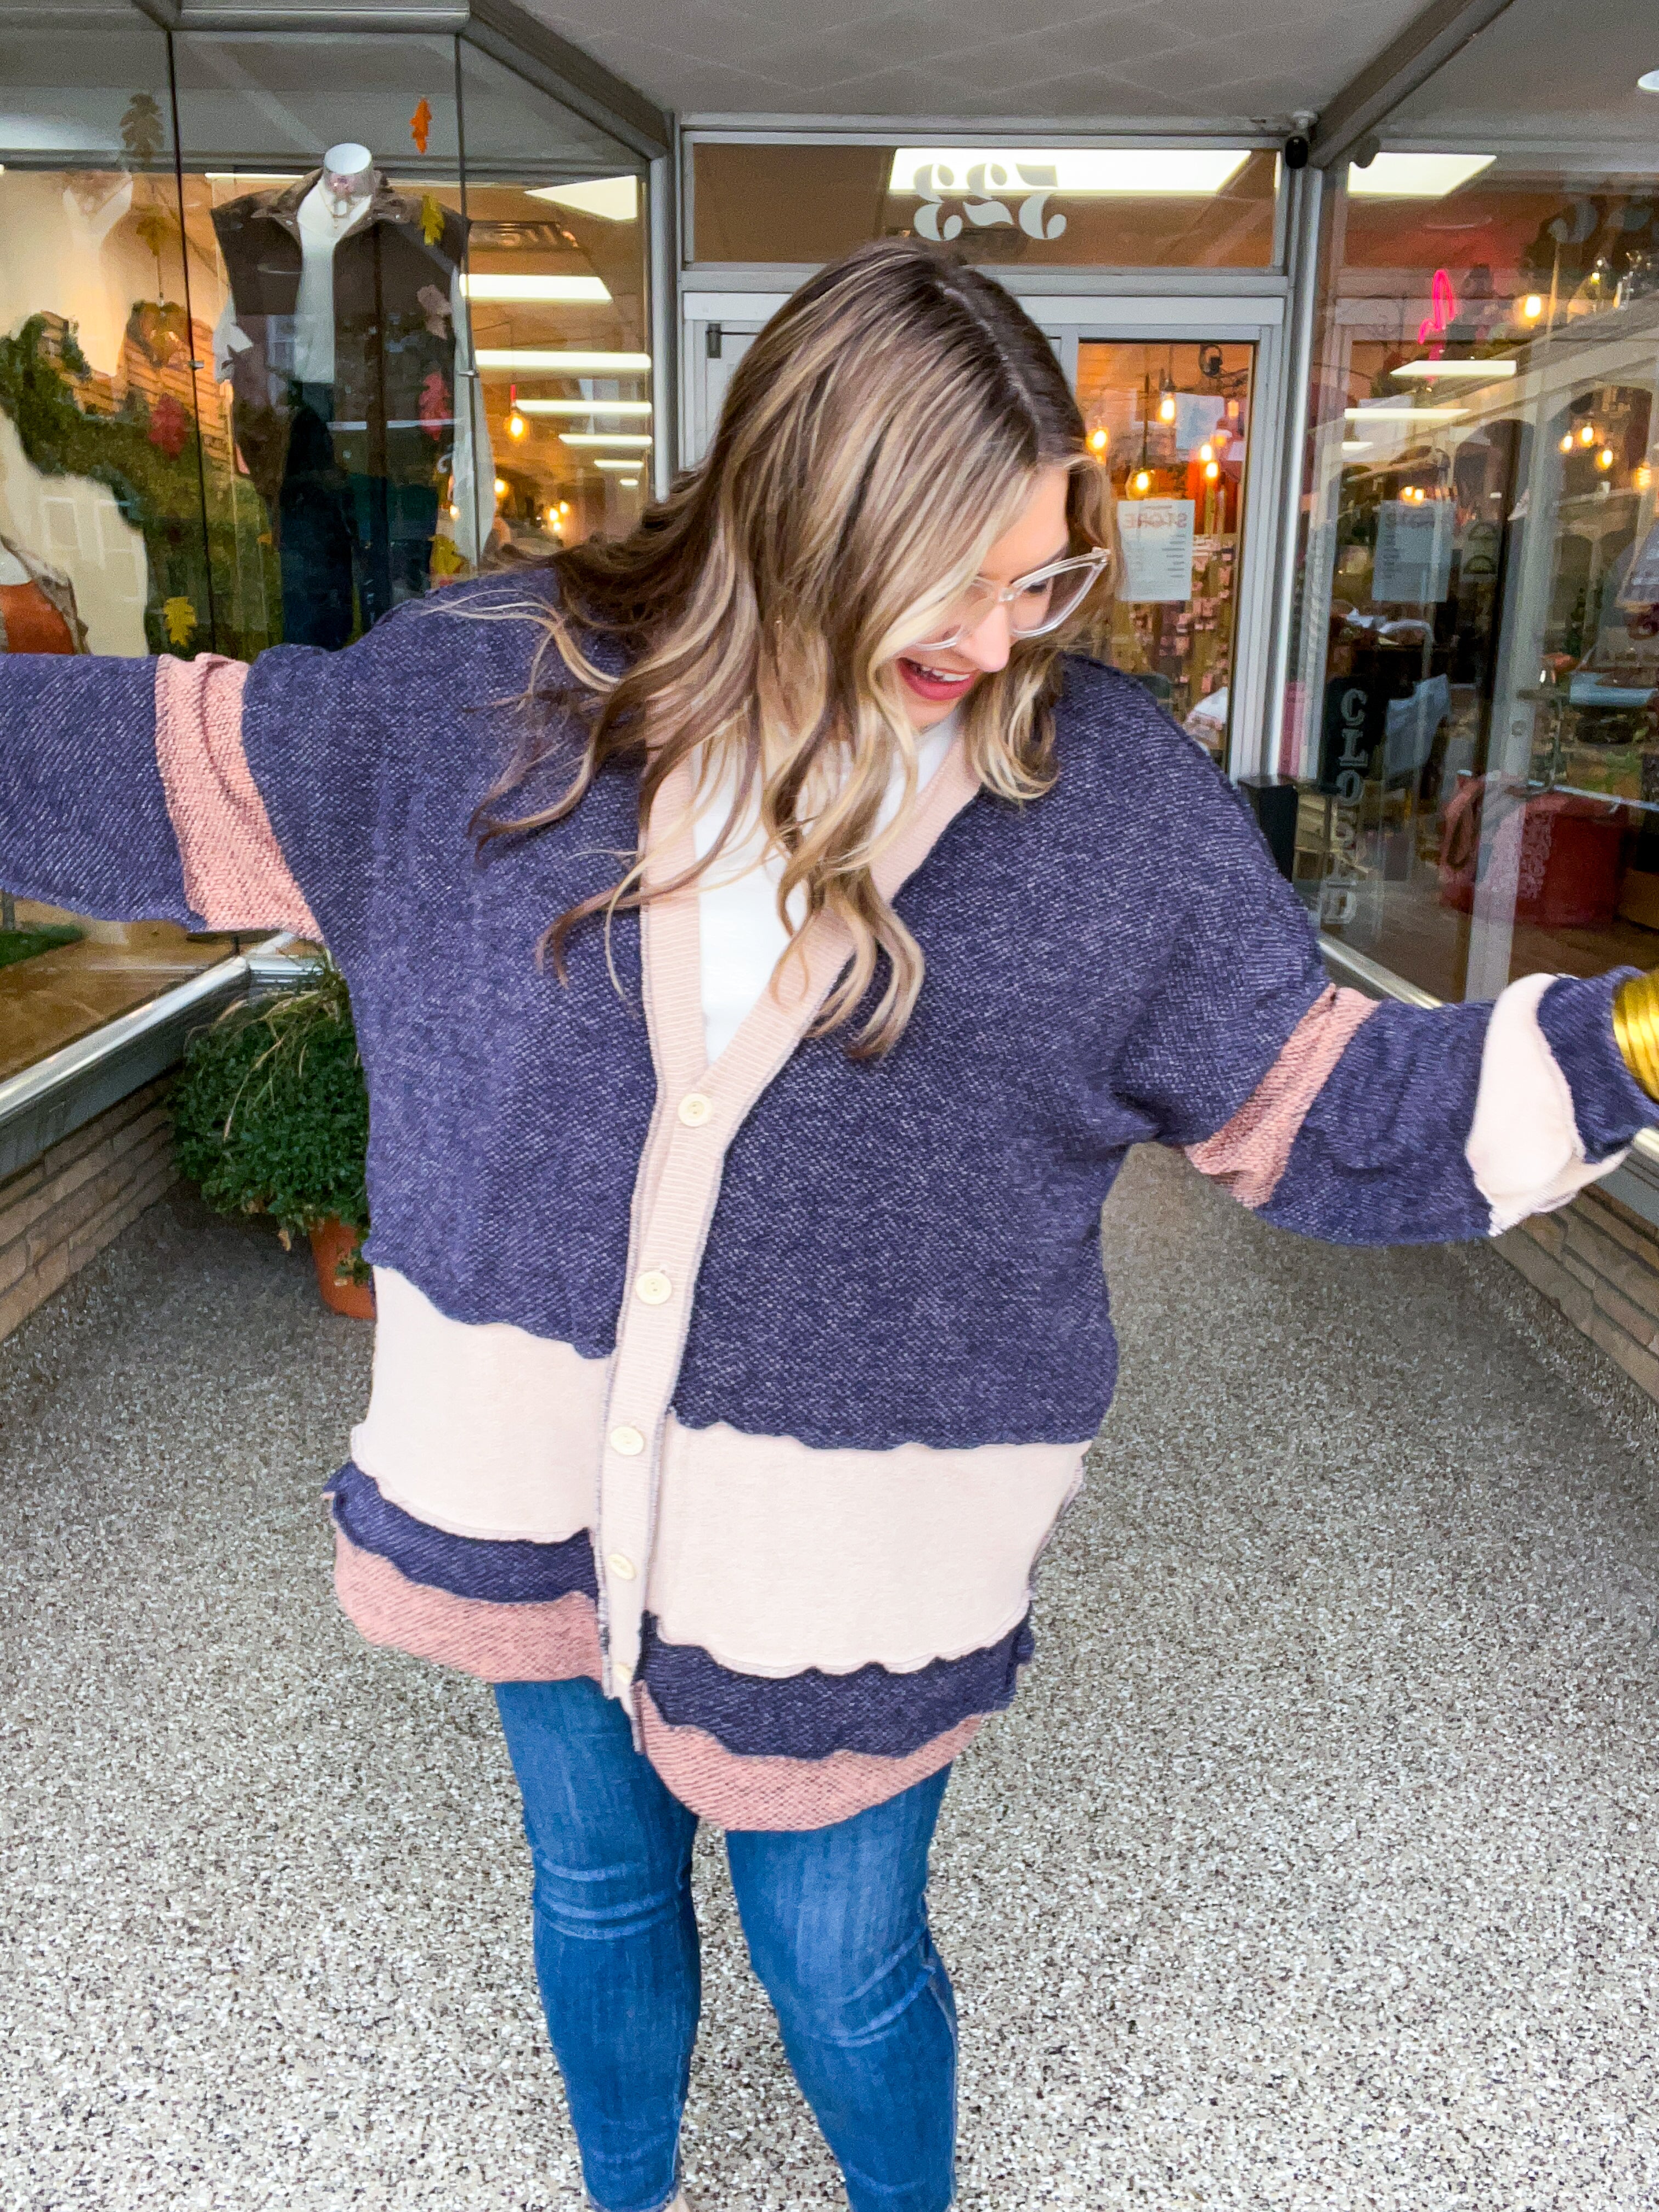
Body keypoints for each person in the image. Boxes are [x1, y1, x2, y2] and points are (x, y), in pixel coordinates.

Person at [4, 239, 1659, 2212]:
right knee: (596, 1882)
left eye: (1041, 571)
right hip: (539, 1492)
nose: (1000, 630)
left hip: (857, 1546)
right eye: (946, 573)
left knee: (844, 1964)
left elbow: (1325, 1105)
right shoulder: (478, 705)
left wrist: (1629, 1028)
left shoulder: (1107, 806)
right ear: (797, 514)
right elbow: (138, 762)